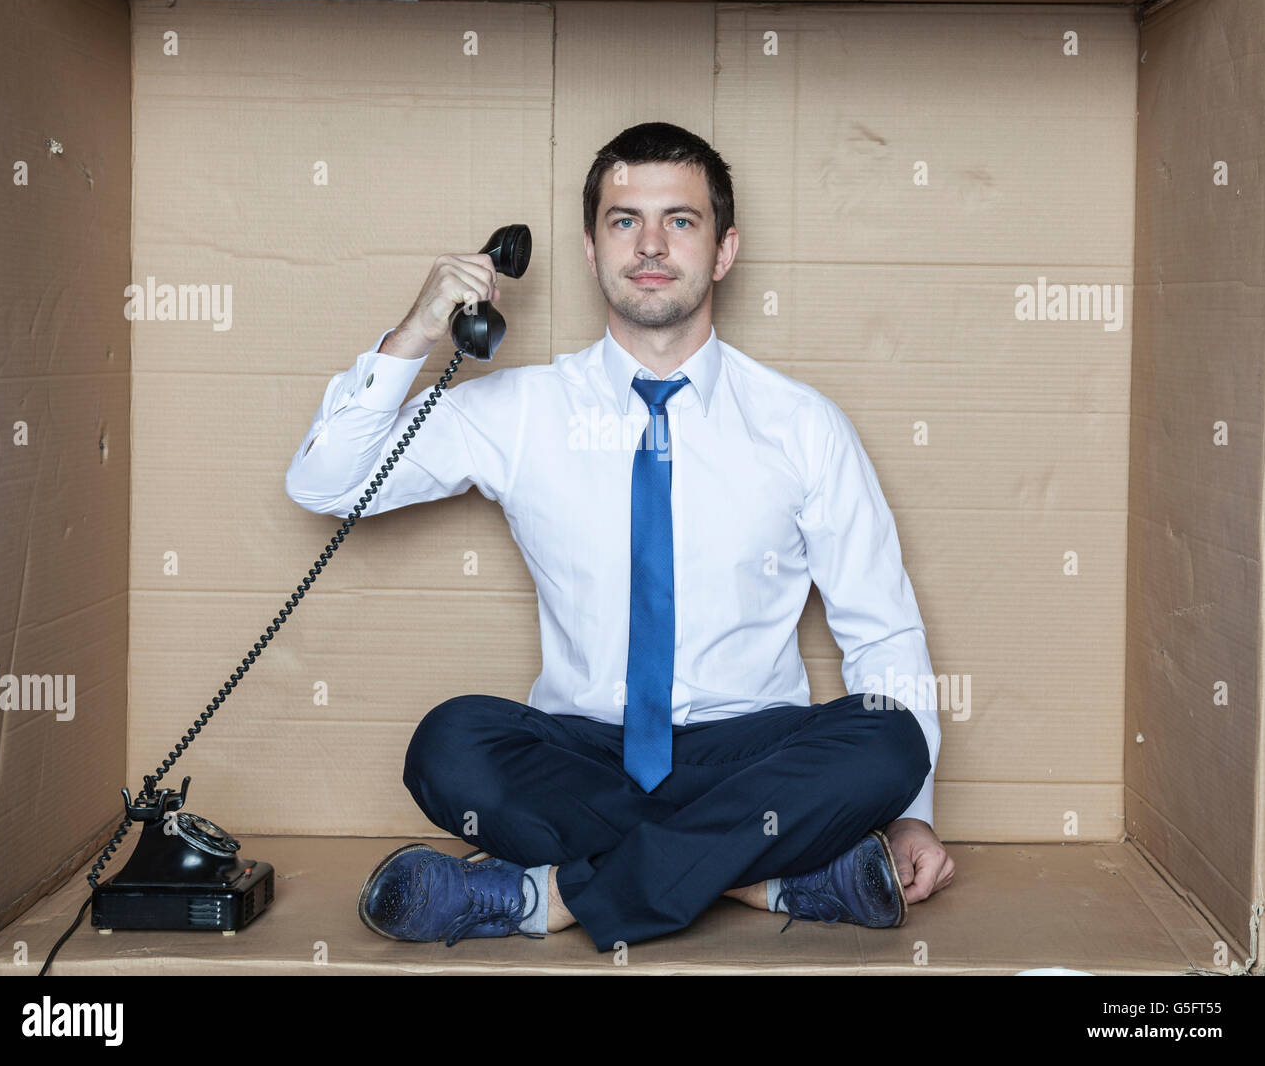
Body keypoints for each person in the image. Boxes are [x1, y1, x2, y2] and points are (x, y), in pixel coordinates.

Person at [284, 121, 954, 954]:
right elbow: (324, 481)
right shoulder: (524, 410)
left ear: (723, 250)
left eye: (681, 220)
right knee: (449, 744)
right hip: (585, 754)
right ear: (593, 249)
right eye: (623, 219)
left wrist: (914, 819)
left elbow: (881, 627)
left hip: (747, 753)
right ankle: (760, 878)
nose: (650, 244)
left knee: (888, 739)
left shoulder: (803, 427)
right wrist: (416, 331)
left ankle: (544, 898)